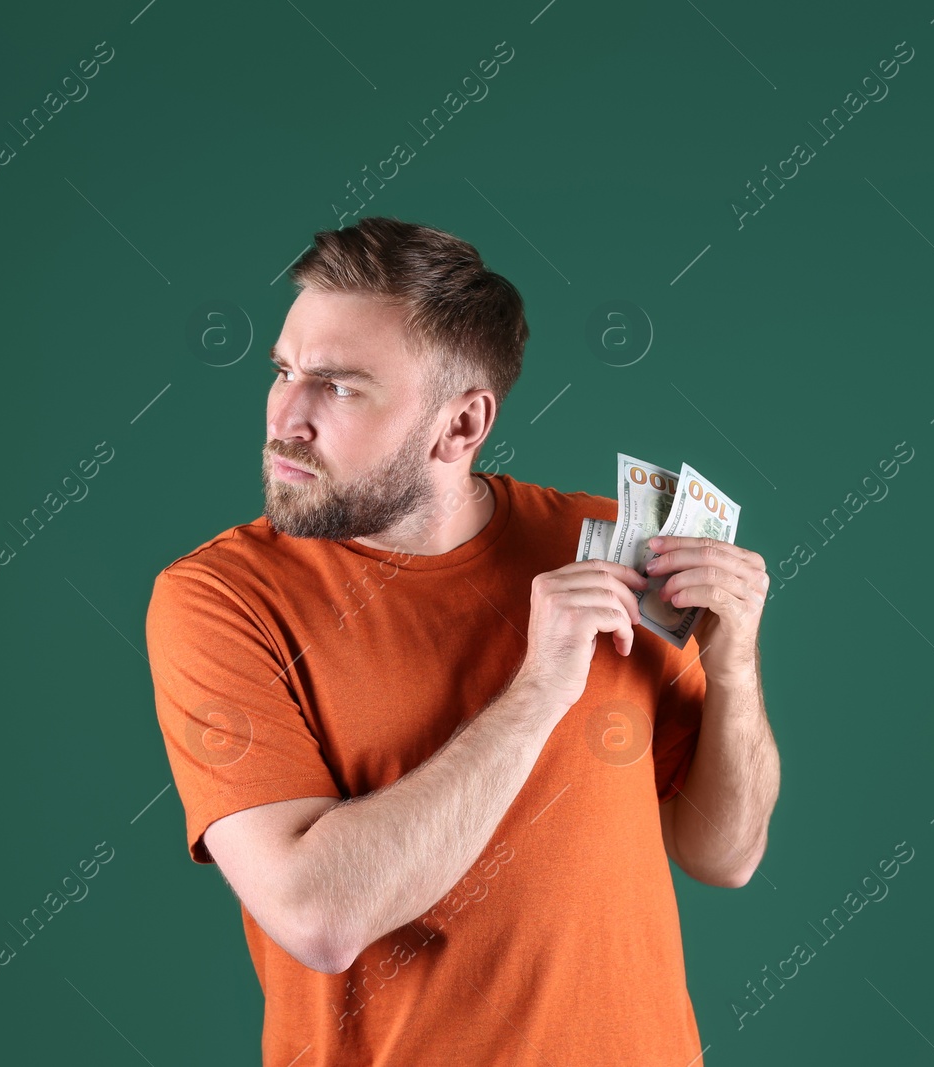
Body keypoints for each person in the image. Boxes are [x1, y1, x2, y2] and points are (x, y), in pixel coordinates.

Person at [145, 216, 779, 1065]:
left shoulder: (607, 548)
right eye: (285, 372)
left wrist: (735, 662)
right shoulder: (221, 599)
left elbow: (724, 854)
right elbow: (317, 916)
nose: (286, 417)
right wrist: (539, 690)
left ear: (461, 424)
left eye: (337, 386)